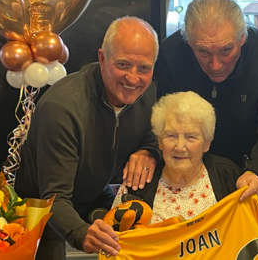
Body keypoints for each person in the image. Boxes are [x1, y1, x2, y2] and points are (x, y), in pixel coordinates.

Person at [154, 0, 258, 259]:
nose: (215, 64)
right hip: (192, 180)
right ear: (188, 42)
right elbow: (156, 125)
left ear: (242, 38)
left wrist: (256, 171)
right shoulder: (169, 55)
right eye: (203, 51)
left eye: (226, 50)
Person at [13, 16, 161, 259]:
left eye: (144, 68)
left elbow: (151, 133)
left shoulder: (147, 91)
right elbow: (54, 197)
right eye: (123, 65)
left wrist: (148, 150)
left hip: (94, 192)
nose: (134, 78)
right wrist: (82, 234)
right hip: (40, 210)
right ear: (102, 58)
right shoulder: (62, 108)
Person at [127, 91, 243, 222]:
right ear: (159, 141)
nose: (179, 147)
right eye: (171, 135)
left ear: (206, 143)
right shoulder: (139, 178)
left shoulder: (227, 174)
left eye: (191, 137)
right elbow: (116, 235)